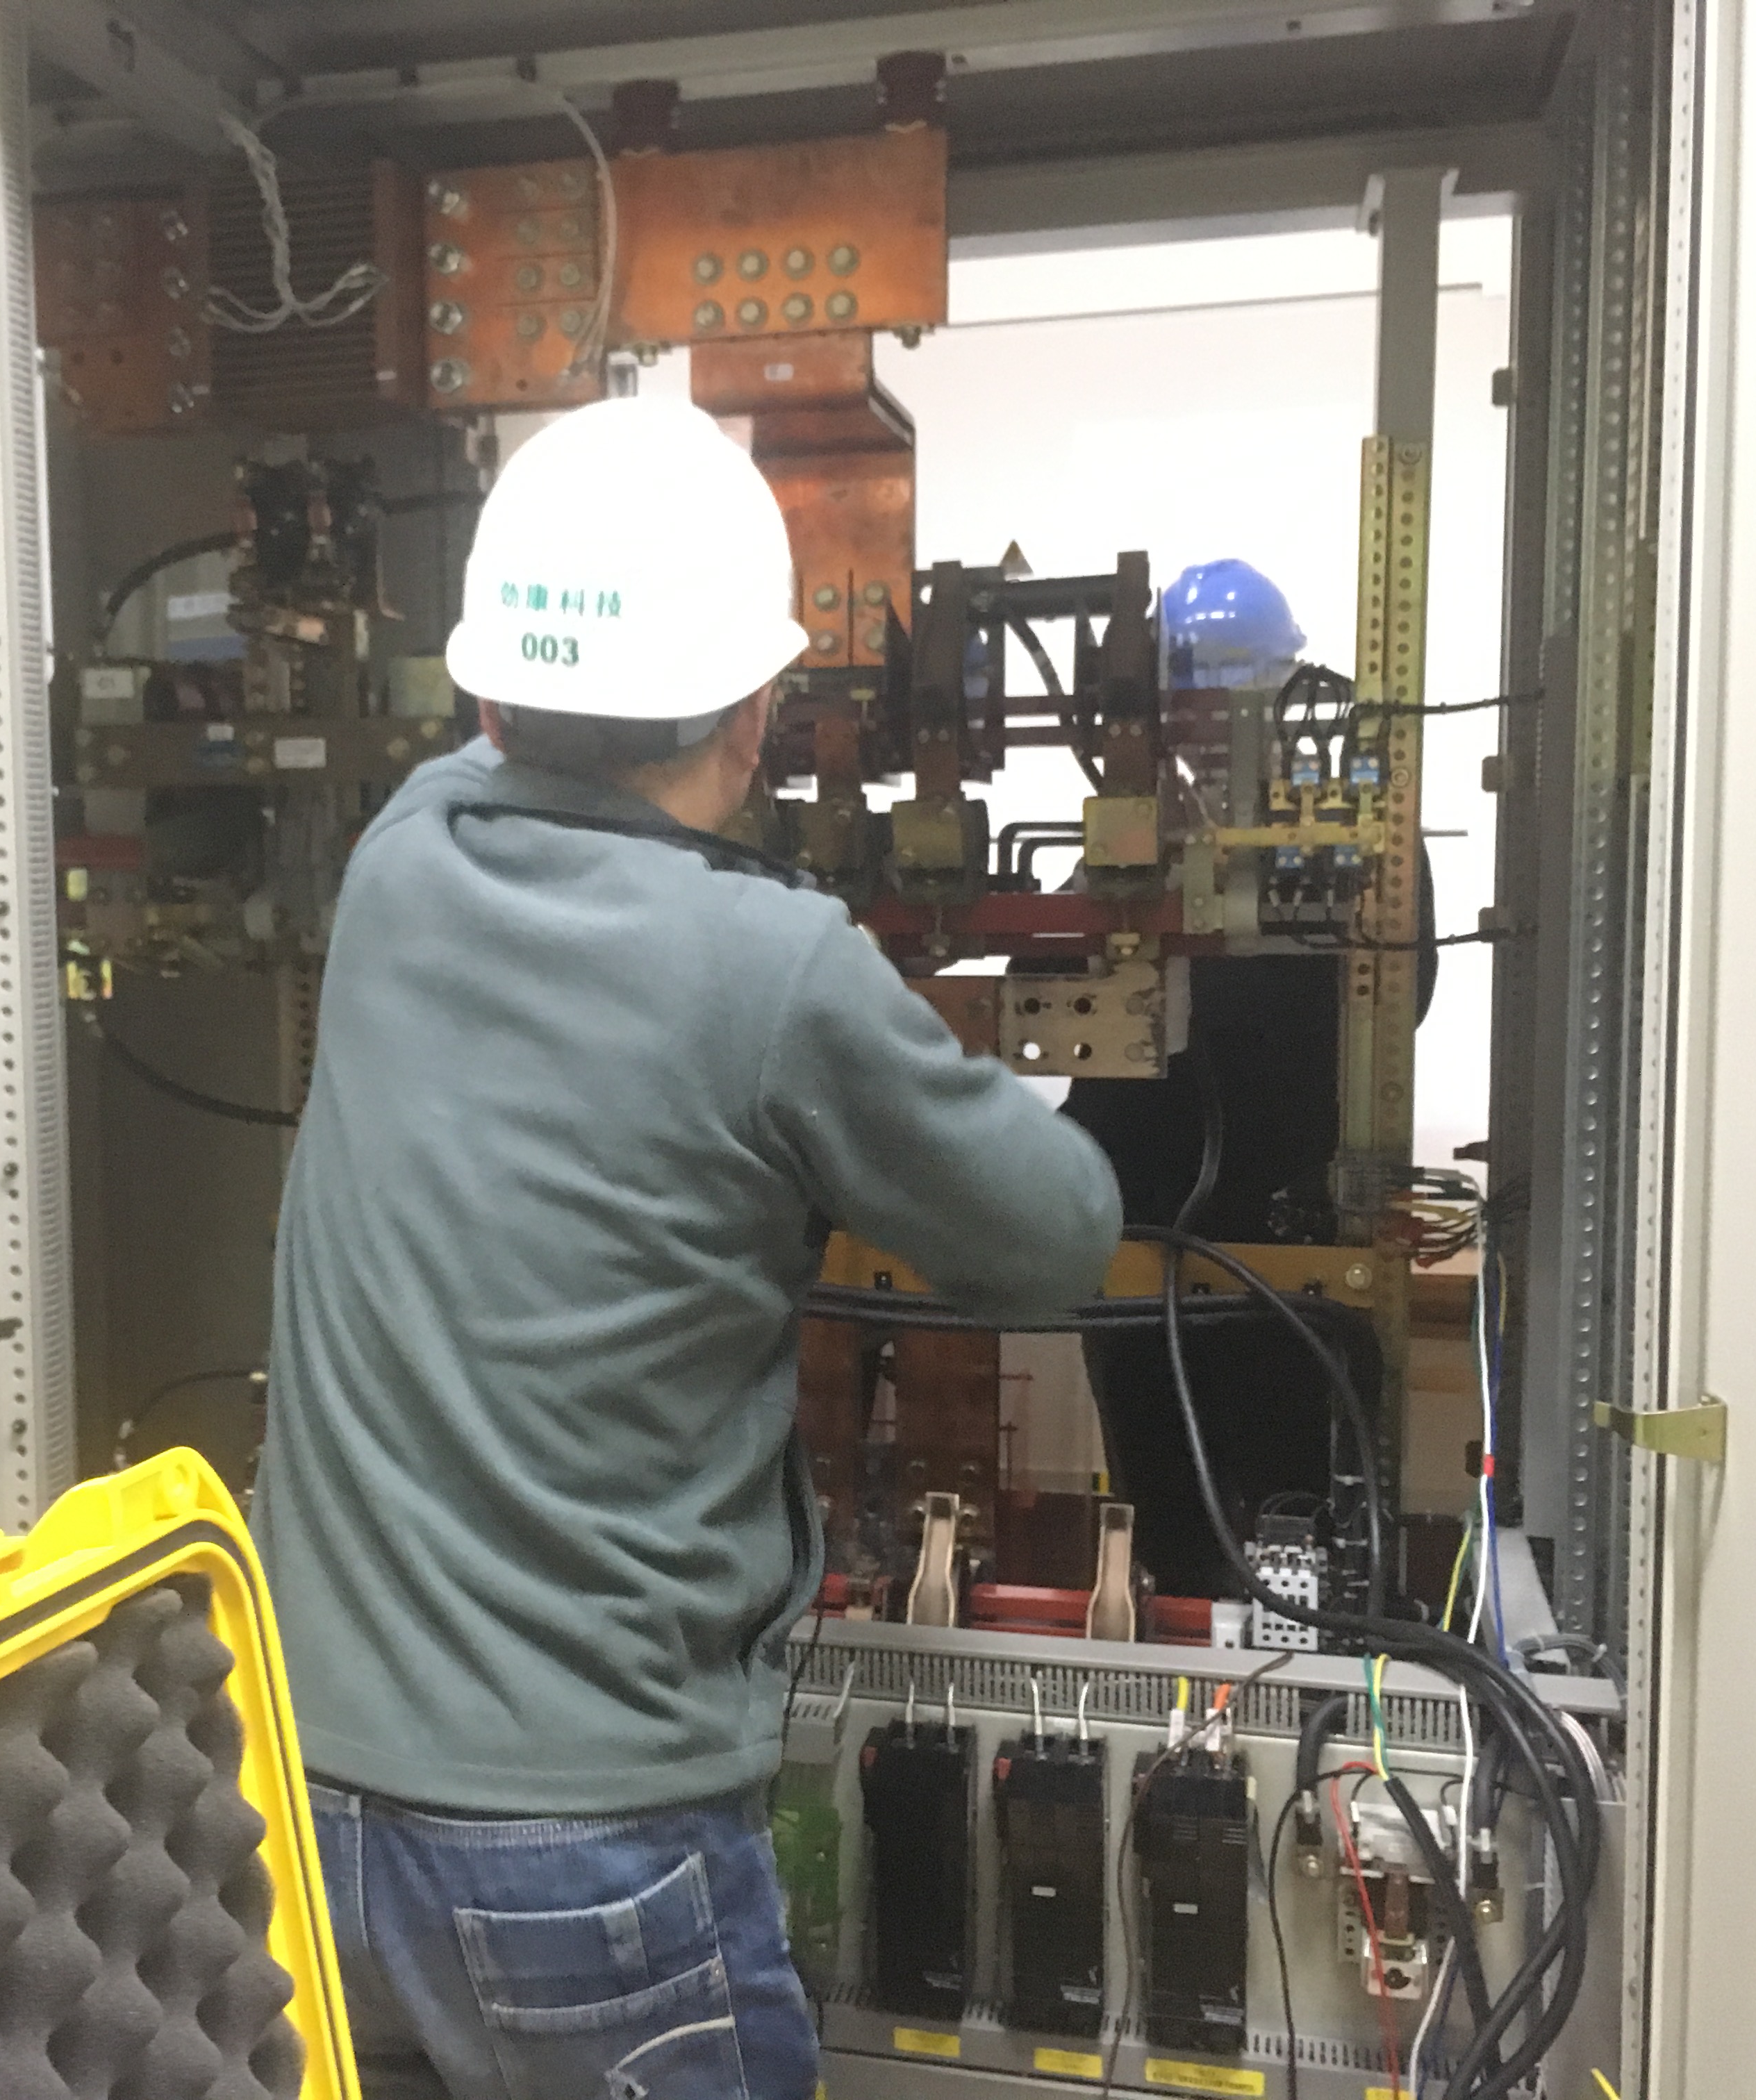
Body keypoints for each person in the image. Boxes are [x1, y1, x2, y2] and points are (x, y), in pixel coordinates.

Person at [250, 396, 1125, 2100]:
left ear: (489, 698)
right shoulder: (775, 969)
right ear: (756, 712)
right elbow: (1057, 1234)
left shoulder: (400, 862)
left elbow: (499, 766)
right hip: (586, 1845)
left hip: (309, 1803)